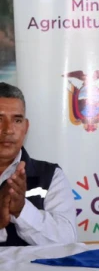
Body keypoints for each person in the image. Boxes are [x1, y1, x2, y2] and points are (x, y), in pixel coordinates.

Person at [0, 83, 77, 246]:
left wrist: (21, 210)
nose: (8, 130)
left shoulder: (50, 176)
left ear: (26, 127)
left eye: (17, 120)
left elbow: (67, 240)